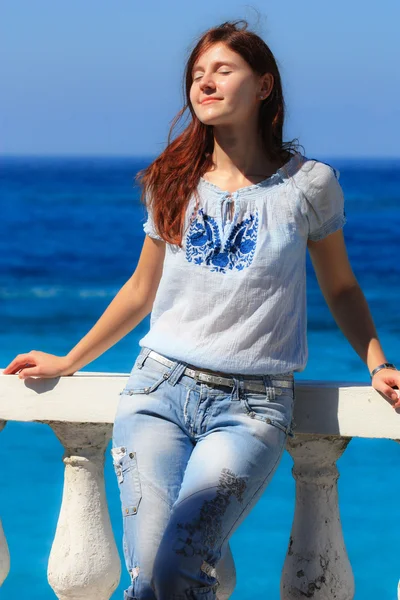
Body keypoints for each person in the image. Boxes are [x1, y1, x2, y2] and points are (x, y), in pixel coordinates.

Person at [3, 19, 400, 600]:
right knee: (146, 579)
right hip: (157, 392)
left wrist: (377, 362)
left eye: (222, 70)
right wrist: (69, 360)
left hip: (252, 407)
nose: (204, 83)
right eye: (196, 75)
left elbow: (340, 287)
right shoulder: (172, 179)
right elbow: (141, 289)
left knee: (177, 568)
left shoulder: (308, 186)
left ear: (264, 86)